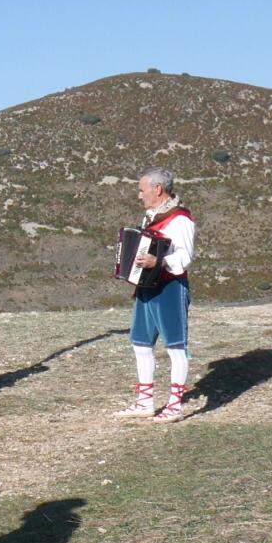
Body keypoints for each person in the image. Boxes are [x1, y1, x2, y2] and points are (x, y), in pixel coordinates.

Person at [113, 165, 196, 423]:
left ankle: (175, 404)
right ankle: (145, 402)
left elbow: (185, 257)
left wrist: (157, 262)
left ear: (157, 189)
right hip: (148, 288)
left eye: (142, 190)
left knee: (175, 346)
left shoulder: (180, 219)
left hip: (170, 288)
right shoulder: (152, 217)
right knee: (140, 342)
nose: (139, 195)